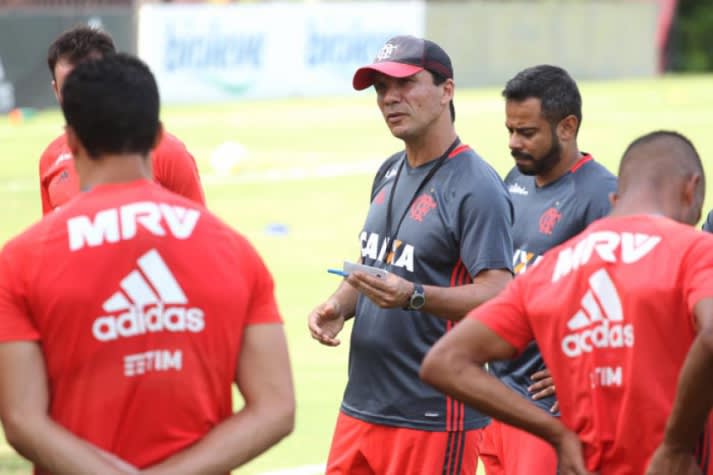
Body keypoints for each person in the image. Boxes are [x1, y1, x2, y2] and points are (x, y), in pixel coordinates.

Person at [0, 53, 294, 474]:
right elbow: (276, 407)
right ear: (157, 137)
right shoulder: (235, 250)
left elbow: (21, 419)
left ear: (72, 142)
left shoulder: (20, 260)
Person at [421, 130, 713, 475]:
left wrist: (556, 434)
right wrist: (676, 446)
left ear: (616, 199)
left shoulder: (550, 268)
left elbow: (443, 363)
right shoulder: (693, 250)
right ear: (690, 189)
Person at [308, 35, 514, 474]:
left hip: (433, 415)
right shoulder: (388, 170)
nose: (389, 99)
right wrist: (338, 305)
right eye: (381, 89)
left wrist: (414, 296)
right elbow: (378, 263)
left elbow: (499, 292)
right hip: (360, 405)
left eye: (405, 84)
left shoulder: (477, 186)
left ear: (446, 91)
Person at [482, 64, 617, 475]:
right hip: (498, 396)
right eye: (509, 130)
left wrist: (586, 370)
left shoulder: (602, 196)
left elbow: (629, 299)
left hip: (548, 412)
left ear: (567, 127)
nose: (513, 143)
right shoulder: (514, 182)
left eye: (526, 133)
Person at [39, 26, 204, 215]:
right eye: (70, 87)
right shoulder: (50, 159)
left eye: (91, 84)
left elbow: (198, 231)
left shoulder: (169, 153)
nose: (82, 96)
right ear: (56, 90)